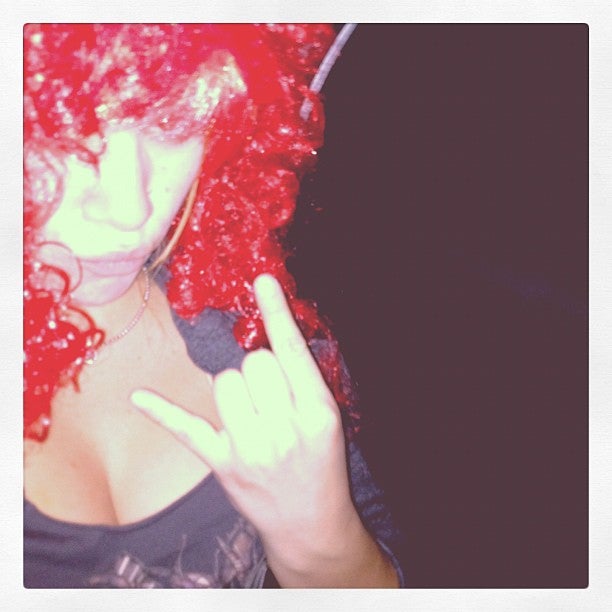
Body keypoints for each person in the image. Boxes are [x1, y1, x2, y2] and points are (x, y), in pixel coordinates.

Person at [23, 23, 404, 588]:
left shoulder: (257, 329)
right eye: (59, 133)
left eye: (174, 120)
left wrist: (320, 545)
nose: (132, 210)